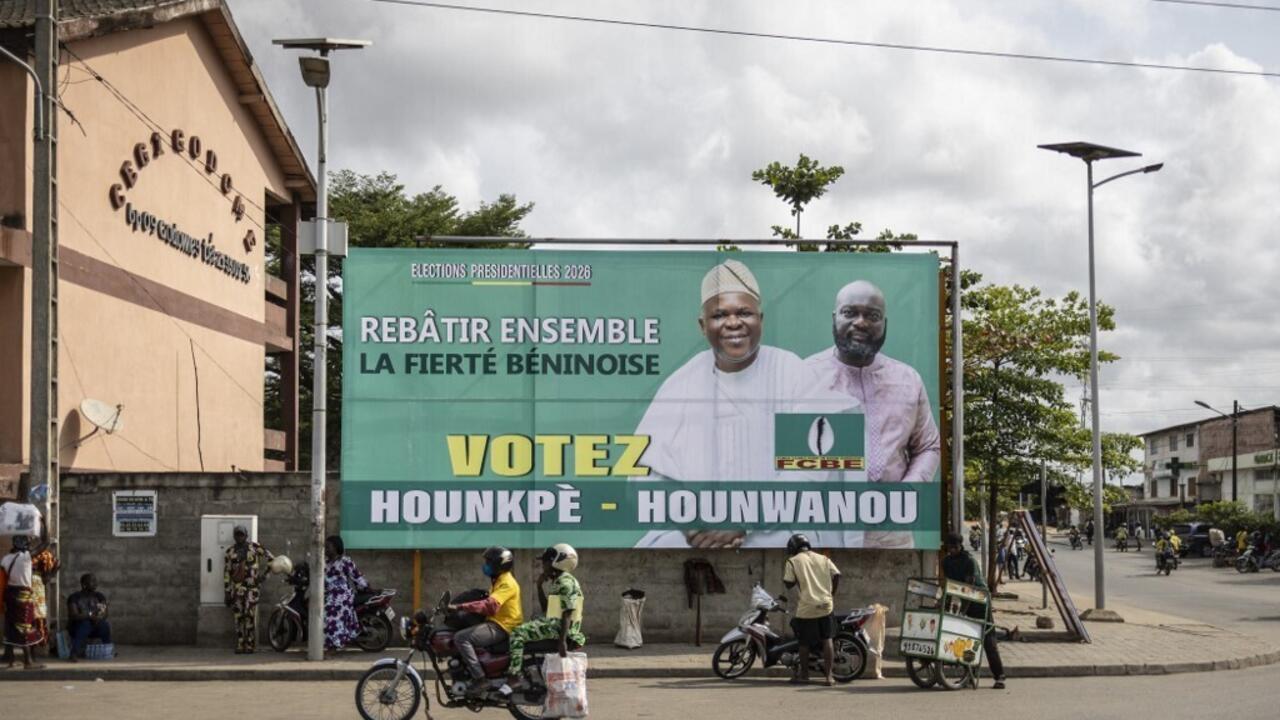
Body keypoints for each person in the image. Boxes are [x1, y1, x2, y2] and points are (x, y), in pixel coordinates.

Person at [631, 259, 845, 549]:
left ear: (761, 319)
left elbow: (815, 467)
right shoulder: (681, 383)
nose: (733, 323)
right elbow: (645, 473)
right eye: (720, 315)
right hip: (698, 530)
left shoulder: (792, 372)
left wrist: (742, 518)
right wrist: (693, 521)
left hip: (777, 525)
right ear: (702, 325)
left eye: (744, 312)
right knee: (654, 551)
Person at [504, 544, 585, 690]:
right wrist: (539, 586)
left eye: (546, 562)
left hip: (559, 629)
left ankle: (514, 676)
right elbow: (547, 610)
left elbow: (567, 613)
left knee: (517, 633)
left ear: (557, 562)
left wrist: (562, 641)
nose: (543, 565)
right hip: (554, 624)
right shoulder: (558, 581)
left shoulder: (566, 582)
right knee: (523, 626)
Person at [448, 546, 522, 696]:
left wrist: (460, 607)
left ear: (500, 564)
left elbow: (490, 606)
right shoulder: (498, 580)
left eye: (489, 562)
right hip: (497, 622)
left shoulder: (507, 583)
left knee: (461, 638)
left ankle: (480, 679)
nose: (486, 565)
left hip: (503, 626)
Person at [941, 533, 1005, 689]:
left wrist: (963, 611)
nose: (952, 550)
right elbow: (949, 586)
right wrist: (945, 606)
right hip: (965, 601)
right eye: (949, 547)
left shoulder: (969, 561)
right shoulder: (946, 562)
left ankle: (1000, 676)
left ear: (960, 546)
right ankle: (969, 675)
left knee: (988, 640)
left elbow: (970, 588)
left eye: (954, 547)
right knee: (967, 640)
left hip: (980, 601)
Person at [782, 533, 841, 686]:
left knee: (804, 643)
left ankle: (805, 675)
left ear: (793, 548)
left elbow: (788, 583)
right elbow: (837, 574)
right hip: (826, 605)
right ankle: (829, 677)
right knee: (827, 639)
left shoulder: (793, 561)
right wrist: (831, 594)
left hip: (807, 607)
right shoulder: (823, 558)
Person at [222, 525, 273, 654]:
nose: (239, 537)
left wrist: (264, 575)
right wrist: (227, 592)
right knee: (238, 616)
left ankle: (250, 644)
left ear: (246, 535)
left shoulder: (255, 547)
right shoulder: (230, 552)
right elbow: (227, 572)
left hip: (252, 588)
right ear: (234, 536)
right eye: (237, 535)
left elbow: (271, 558)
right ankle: (240, 644)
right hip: (237, 589)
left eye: (241, 534)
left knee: (249, 615)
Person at [2, 533, 48, 670]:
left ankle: (10, 660)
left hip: (9, 594)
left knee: (10, 626)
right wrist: (45, 525)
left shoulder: (6, 558)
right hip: (23, 595)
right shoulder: (26, 557)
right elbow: (45, 543)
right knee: (25, 627)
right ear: (24, 545)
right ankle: (28, 662)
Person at [323, 534, 368, 653]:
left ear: (336, 547)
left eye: (328, 547)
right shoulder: (324, 563)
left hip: (342, 594)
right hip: (327, 594)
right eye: (325, 547)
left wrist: (365, 587)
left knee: (331, 612)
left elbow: (356, 576)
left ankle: (334, 645)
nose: (326, 550)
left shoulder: (345, 561)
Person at [66, 573, 112, 661]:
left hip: (94, 626)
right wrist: (90, 616)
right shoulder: (74, 597)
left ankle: (108, 650)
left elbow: (104, 613)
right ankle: (74, 653)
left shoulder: (99, 596)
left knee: (104, 625)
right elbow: (74, 615)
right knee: (85, 624)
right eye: (92, 581)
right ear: (84, 584)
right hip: (77, 628)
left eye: (95, 581)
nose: (95, 583)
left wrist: (99, 618)